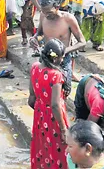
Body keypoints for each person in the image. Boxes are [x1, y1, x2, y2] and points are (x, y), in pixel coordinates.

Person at [28, 39, 69, 169]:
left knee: (42, 147)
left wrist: (41, 109)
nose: (62, 60)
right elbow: (55, 105)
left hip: (40, 113)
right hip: (54, 117)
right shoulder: (56, 75)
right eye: (62, 57)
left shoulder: (34, 67)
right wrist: (63, 129)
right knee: (59, 148)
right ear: (56, 59)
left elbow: (31, 97)